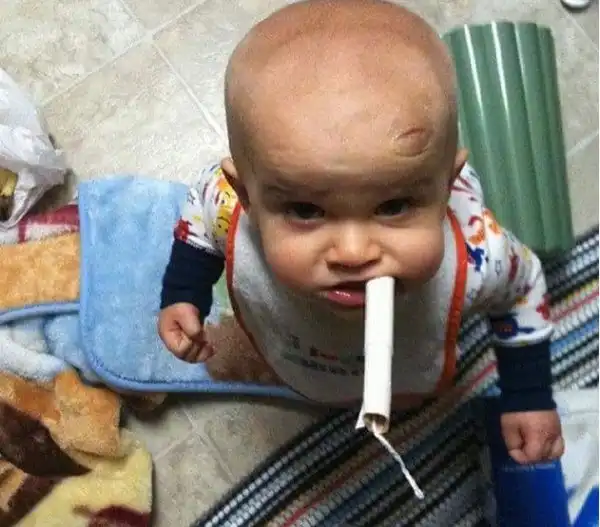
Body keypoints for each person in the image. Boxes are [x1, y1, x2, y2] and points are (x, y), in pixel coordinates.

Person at [158, 0, 564, 465]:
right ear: (246, 196)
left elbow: (523, 290)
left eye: (394, 206)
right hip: (301, 358)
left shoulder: (477, 254)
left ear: (446, 189)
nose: (353, 252)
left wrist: (528, 394)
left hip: (408, 376)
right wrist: (185, 292)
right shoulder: (226, 206)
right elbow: (198, 220)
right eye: (305, 210)